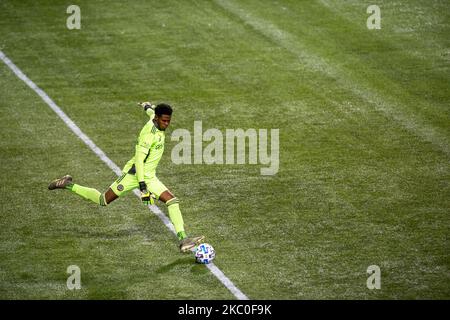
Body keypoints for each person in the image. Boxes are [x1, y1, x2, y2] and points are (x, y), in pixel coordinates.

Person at [48, 102, 205, 252]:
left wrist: (147, 107)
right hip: (134, 175)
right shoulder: (147, 136)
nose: (166, 124)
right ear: (157, 119)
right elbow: (139, 161)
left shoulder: (154, 118)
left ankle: (183, 239)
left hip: (150, 177)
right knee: (103, 200)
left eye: (169, 121)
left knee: (172, 201)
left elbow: (151, 112)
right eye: (164, 121)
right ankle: (66, 184)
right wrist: (142, 187)